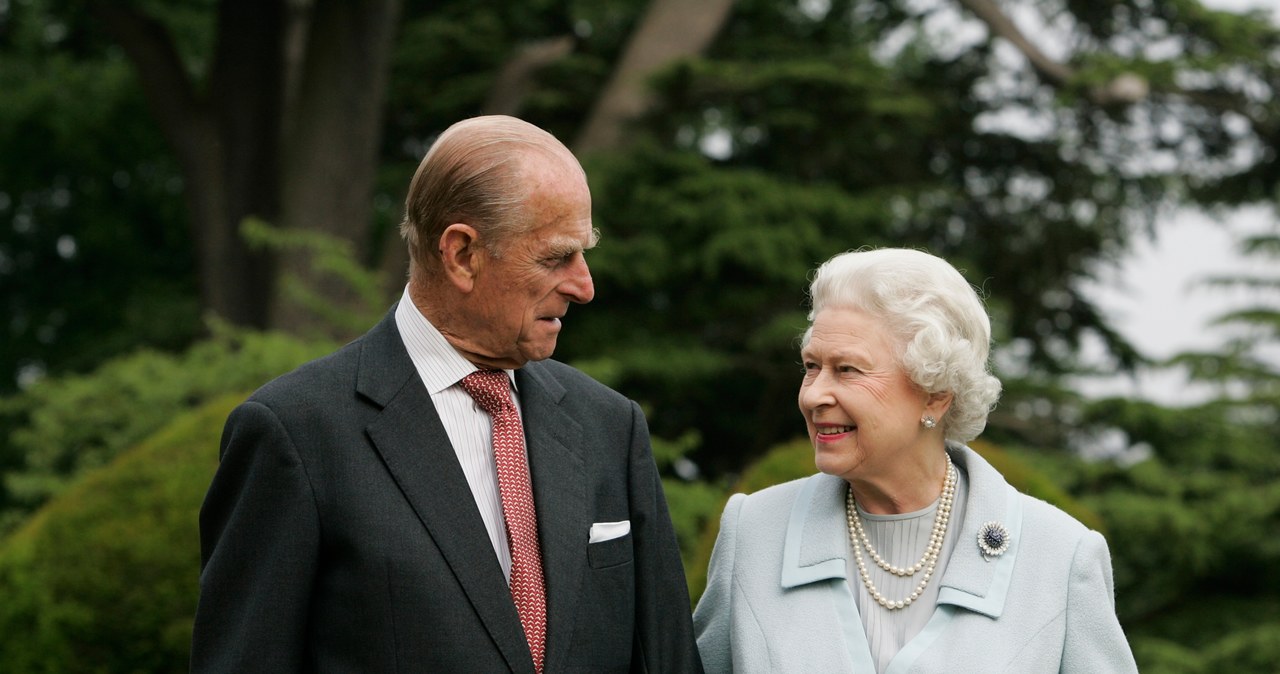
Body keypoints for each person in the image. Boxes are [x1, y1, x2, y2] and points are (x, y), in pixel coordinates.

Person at [191, 115, 703, 673]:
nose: (585, 287)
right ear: (461, 254)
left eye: (584, 253)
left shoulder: (610, 425)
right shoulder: (295, 433)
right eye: (557, 257)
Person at [693, 248, 1138, 673]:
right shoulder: (753, 532)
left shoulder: (1060, 557)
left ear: (935, 394)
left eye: (847, 370)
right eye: (812, 366)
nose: (813, 395)